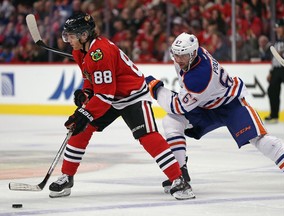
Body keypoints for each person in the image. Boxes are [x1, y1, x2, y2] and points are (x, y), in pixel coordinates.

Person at [48, 12, 195, 200]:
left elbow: (105, 95)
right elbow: (91, 79)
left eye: (70, 35)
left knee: (148, 136)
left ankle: (179, 180)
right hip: (109, 96)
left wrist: (85, 113)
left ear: (84, 35)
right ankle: (67, 176)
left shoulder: (99, 53)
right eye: (66, 34)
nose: (67, 39)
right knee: (79, 129)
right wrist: (86, 93)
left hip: (132, 96)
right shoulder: (80, 51)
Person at [145, 32, 284, 193]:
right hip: (204, 106)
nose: (178, 59)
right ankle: (180, 173)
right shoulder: (190, 56)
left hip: (230, 105)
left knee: (261, 140)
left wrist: (155, 88)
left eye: (182, 56)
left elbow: (176, 106)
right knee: (171, 121)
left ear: (193, 53)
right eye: (176, 54)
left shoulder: (199, 76)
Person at [265, 18, 284, 123]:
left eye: (279, 27)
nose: (277, 30)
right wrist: (271, 71)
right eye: (277, 28)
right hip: (277, 69)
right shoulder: (277, 41)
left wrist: (283, 55)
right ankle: (274, 115)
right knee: (272, 90)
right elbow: (275, 58)